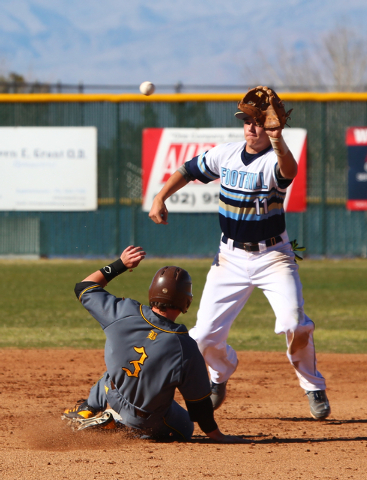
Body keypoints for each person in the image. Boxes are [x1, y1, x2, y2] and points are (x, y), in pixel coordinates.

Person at [148, 92, 331, 420]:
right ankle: (219, 374)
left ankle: (312, 385)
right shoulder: (225, 155)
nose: (251, 127)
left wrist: (278, 140)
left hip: (273, 256)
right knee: (202, 335)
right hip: (229, 257)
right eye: (247, 121)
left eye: (259, 122)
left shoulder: (275, 160)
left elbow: (289, 170)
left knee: (293, 323)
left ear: (273, 126)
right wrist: (160, 196)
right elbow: (188, 170)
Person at [63, 245, 245, 442]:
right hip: (142, 418)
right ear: (186, 302)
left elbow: (84, 287)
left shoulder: (123, 312)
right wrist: (217, 435)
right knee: (186, 427)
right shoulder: (185, 347)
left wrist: (120, 265)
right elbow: (199, 407)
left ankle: (88, 409)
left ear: (152, 293)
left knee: (116, 370)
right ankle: (120, 426)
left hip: (112, 393)